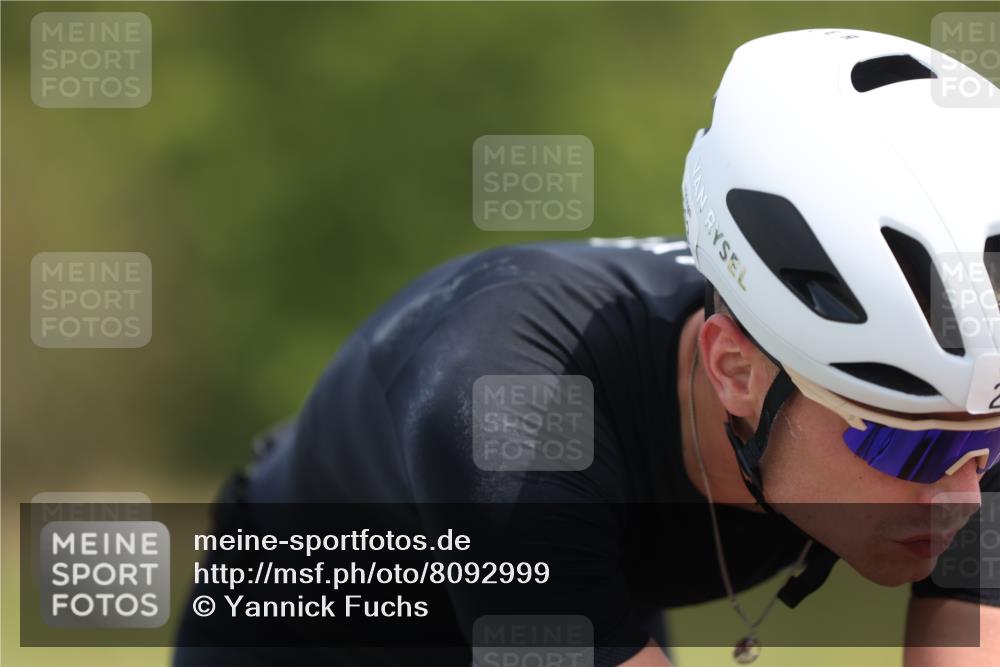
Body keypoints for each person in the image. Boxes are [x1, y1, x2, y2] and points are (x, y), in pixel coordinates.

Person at [175, 28, 1000, 666]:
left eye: (987, 451)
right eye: (905, 444)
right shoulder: (514, 406)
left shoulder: (967, 390)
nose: (963, 498)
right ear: (736, 372)